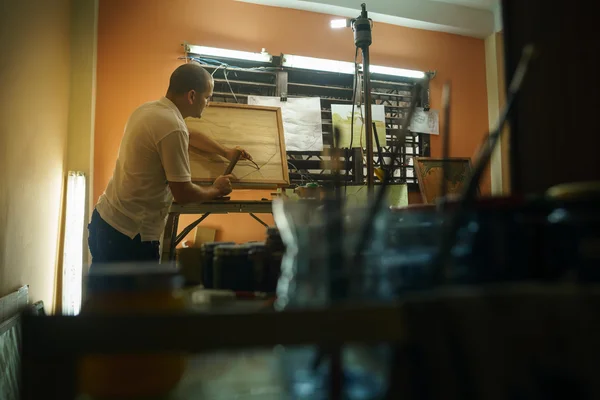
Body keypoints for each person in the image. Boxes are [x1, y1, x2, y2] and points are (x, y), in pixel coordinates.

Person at [88, 63, 251, 264]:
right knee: (137, 296)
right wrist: (215, 190)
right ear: (192, 96)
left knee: (103, 295)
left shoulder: (150, 110)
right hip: (129, 236)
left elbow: (189, 136)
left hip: (106, 220)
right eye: (207, 97)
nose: (208, 103)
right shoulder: (172, 127)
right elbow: (183, 193)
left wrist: (225, 152)